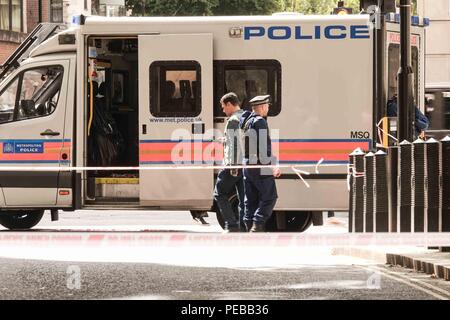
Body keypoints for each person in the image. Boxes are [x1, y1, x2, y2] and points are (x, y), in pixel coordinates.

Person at [240, 95, 281, 232]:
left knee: (251, 198)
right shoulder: (260, 122)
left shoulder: (247, 121)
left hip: (247, 164)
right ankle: (257, 225)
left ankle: (249, 225)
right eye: (267, 106)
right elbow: (264, 149)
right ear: (262, 107)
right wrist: (273, 166)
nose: (268, 108)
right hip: (259, 165)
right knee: (270, 197)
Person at [213, 93, 245, 233]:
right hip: (245, 164)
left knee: (219, 193)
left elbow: (234, 145)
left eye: (223, 107)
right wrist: (225, 140)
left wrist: (232, 166)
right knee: (243, 198)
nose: (223, 110)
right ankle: (244, 226)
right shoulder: (245, 116)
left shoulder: (232, 120)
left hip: (233, 165)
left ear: (229, 104)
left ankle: (231, 225)